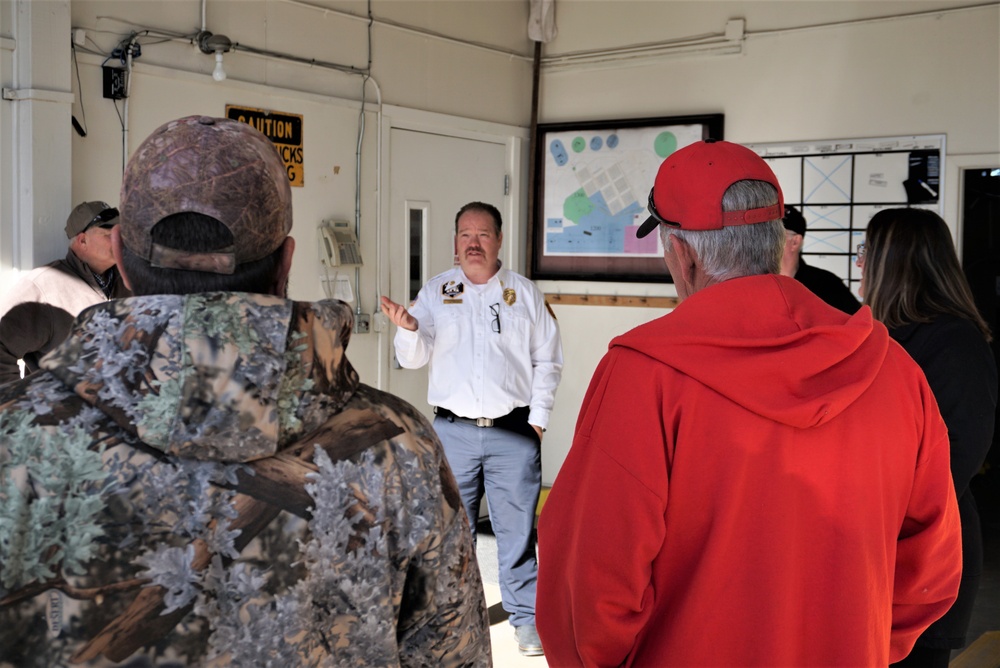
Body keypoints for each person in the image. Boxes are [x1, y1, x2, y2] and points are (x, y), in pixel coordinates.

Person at [0, 116, 491, 666]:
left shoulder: (14, 437)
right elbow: (452, 653)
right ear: (285, 263)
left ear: (121, 254)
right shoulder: (397, 446)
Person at [535, 139, 962, 667]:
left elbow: (588, 584)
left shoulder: (644, 376)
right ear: (777, 241)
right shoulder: (894, 371)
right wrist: (855, 638)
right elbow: (932, 566)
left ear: (682, 255)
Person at [380, 201, 563, 657]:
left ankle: (526, 622)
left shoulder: (524, 294)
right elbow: (412, 357)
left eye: (483, 234)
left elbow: (548, 361)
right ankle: (446, 620)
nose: (473, 242)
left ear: (499, 240)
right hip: (453, 434)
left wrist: (537, 422)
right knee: (446, 535)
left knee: (517, 534)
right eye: (465, 234)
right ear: (455, 242)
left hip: (513, 434)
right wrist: (406, 328)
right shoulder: (438, 291)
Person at [858, 208, 998, 668]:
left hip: (925, 552)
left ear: (892, 263)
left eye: (866, 253)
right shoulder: (876, 335)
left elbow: (956, 457)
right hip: (878, 545)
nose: (859, 265)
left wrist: (873, 520)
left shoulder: (954, 341)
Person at [0, 201, 131, 383]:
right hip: (62, 409)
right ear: (82, 240)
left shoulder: (130, 281)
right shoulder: (42, 286)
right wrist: (13, 403)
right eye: (108, 234)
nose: (120, 241)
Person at [780, 203, 861, 314]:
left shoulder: (828, 286)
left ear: (795, 242)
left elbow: (859, 324)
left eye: (774, 235)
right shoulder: (754, 284)